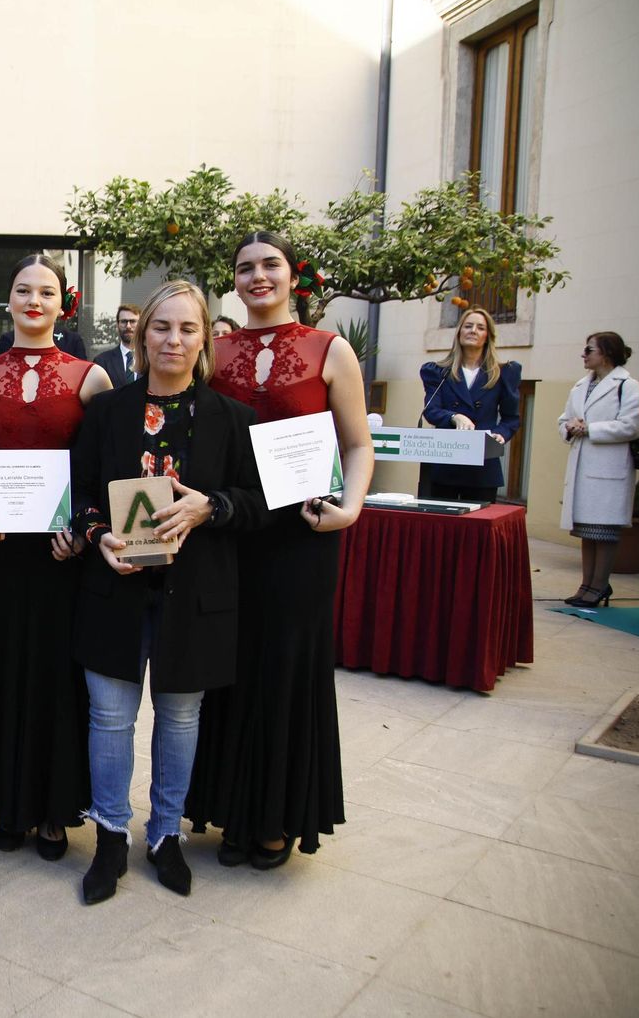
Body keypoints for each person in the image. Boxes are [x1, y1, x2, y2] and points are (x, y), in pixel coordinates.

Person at [70, 280, 266, 902]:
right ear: (140, 332)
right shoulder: (106, 414)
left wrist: (213, 508)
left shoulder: (233, 419)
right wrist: (99, 538)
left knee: (180, 718)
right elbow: (79, 498)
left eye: (187, 329)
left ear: (204, 337)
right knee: (109, 718)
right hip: (116, 589)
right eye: (161, 327)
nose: (173, 340)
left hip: (197, 594)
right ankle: (108, 836)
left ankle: (163, 835)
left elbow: (260, 505)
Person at [185, 231, 372, 870]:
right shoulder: (212, 350)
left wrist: (349, 508)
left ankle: (275, 819)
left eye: (271, 265)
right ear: (233, 281)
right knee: (227, 669)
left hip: (301, 536)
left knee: (285, 669)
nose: (258, 276)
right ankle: (229, 812)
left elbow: (357, 444)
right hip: (229, 534)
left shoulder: (331, 349)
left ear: (296, 276)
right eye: (245, 268)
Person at [0, 254, 109, 861]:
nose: (34, 300)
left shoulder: (90, 377)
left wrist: (85, 533)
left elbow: (97, 472)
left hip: (61, 556)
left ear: (66, 302)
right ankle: (4, 802)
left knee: (55, 681)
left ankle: (53, 811)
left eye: (46, 291)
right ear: (7, 300)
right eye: (22, 290)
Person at [558, 332, 639, 608]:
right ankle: (586, 585)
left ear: (606, 353)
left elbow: (633, 425)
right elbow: (563, 419)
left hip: (609, 468)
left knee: (604, 531)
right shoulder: (580, 386)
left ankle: (599, 585)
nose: (583, 354)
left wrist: (590, 429)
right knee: (586, 530)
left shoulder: (627, 385)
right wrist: (569, 427)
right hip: (583, 466)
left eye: (589, 349)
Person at [417, 307, 521, 502]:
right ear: (459, 333)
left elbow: (511, 419)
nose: (473, 330)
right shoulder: (438, 372)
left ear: (488, 336)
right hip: (445, 464)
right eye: (468, 326)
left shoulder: (504, 373)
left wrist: (500, 434)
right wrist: (453, 417)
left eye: (480, 327)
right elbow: (431, 411)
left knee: (476, 530)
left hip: (482, 467)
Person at [92, 304, 140, 388]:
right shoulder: (102, 361)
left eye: (132, 321)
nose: (128, 326)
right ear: (117, 325)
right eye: (124, 321)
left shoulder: (151, 360)